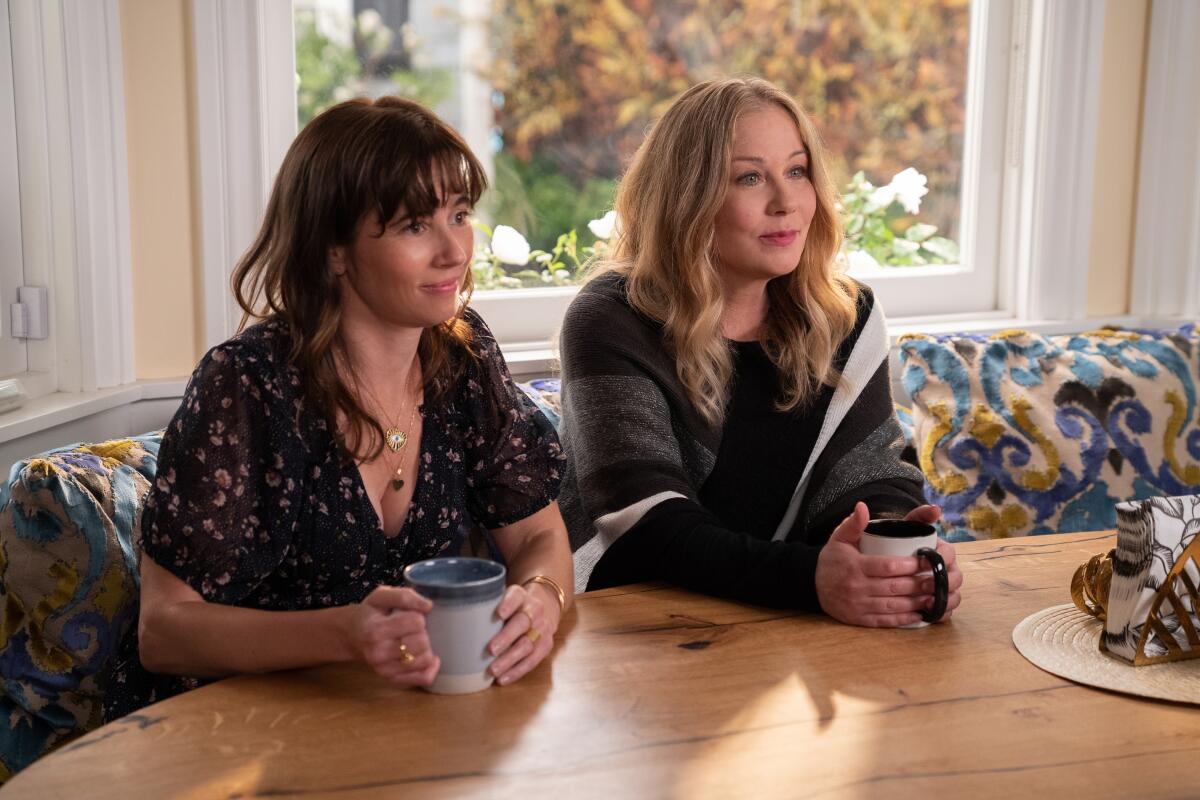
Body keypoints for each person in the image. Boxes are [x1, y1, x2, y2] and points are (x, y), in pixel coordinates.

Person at [105, 97, 572, 719]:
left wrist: (541, 599)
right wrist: (346, 633)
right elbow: (164, 633)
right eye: (415, 226)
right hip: (231, 732)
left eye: (459, 215)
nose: (455, 250)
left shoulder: (464, 359)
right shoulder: (243, 387)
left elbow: (540, 533)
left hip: (397, 715)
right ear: (334, 251)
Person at [558, 77, 962, 627]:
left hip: (792, 625)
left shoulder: (846, 315)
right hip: (639, 627)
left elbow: (872, 479)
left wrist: (891, 556)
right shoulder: (612, 319)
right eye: (750, 177)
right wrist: (811, 579)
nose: (787, 201)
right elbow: (646, 522)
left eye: (797, 171)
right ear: (689, 200)